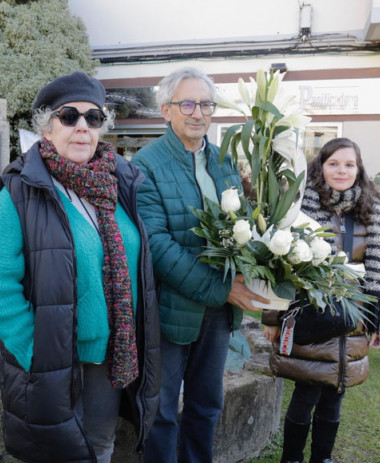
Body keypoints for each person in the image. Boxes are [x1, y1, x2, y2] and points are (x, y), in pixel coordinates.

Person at [0, 71, 160, 463]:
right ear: (47, 127)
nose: (82, 127)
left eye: (93, 118)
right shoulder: (20, 192)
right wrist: (37, 354)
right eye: (69, 116)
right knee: (55, 456)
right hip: (51, 361)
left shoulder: (118, 184)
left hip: (110, 354)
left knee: (99, 446)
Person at [131, 67, 268, 463]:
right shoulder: (145, 165)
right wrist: (223, 288)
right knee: (161, 412)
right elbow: (156, 245)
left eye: (206, 104)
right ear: (166, 110)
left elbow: (239, 229)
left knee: (206, 405)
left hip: (218, 313)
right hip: (172, 312)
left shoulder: (223, 161)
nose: (198, 113)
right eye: (187, 103)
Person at [262, 137, 380, 463]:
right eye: (334, 163)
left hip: (352, 322)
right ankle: (291, 458)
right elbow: (280, 266)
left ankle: (323, 458)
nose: (342, 170)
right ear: (321, 166)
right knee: (305, 395)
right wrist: (272, 318)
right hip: (311, 317)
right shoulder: (300, 206)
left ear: (359, 168)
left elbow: (379, 274)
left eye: (349, 164)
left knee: (335, 396)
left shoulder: (373, 211)